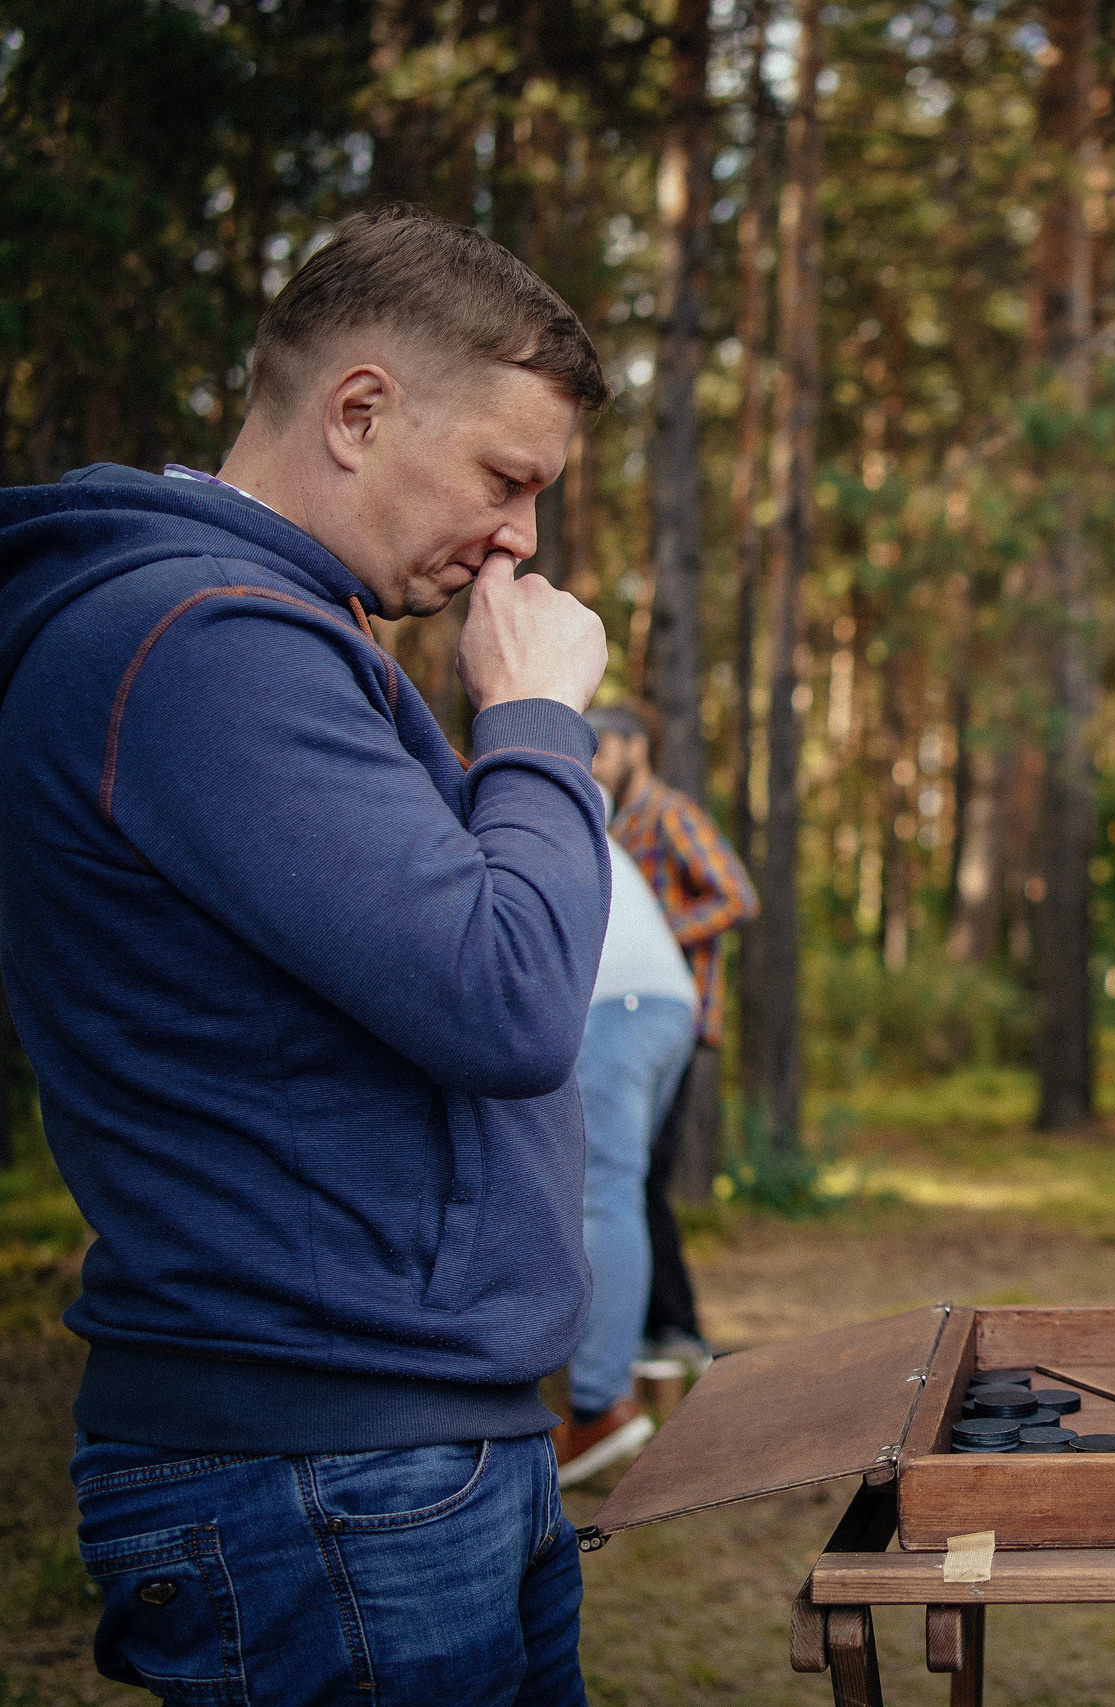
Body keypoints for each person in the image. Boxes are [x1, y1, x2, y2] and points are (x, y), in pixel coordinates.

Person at [0, 205, 613, 1703]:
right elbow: (508, 990)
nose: (522, 537)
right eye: (507, 478)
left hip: (399, 1448)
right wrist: (535, 721)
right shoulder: (202, 644)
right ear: (358, 409)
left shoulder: (254, 628)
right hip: (326, 1470)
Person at [583, 700, 758, 1377]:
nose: (595, 761)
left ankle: (677, 1329)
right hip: (637, 1013)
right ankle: (662, 1327)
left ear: (635, 746)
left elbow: (737, 895)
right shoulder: (618, 825)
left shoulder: (669, 814)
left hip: (659, 1014)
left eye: (603, 747)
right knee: (642, 1177)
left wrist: (658, 928)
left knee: (633, 1178)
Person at [550, 799, 700, 1487]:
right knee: (618, 1191)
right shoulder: (568, 806)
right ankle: (614, 1362)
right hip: (666, 1000)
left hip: (617, 1003)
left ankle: (599, 1406)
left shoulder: (495, 800)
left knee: (603, 1193)